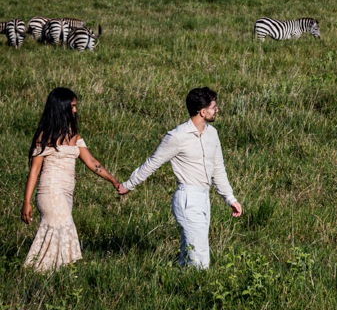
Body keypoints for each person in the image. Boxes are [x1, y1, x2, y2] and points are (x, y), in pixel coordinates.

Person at [119, 86, 242, 268]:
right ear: (202, 111)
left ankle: (181, 284)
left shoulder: (212, 134)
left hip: (204, 198)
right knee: (200, 256)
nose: (217, 110)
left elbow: (218, 169)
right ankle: (199, 287)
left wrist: (230, 198)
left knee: (189, 252)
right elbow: (153, 163)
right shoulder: (177, 137)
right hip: (187, 198)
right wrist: (129, 184)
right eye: (214, 107)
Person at [22, 87, 123, 272]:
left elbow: (91, 161)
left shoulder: (74, 135)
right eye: (73, 106)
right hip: (50, 192)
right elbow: (34, 171)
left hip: (66, 194)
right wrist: (26, 201)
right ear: (62, 107)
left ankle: (46, 273)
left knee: (58, 231)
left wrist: (113, 180)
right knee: (65, 225)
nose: (75, 110)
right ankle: (44, 271)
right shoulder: (45, 136)